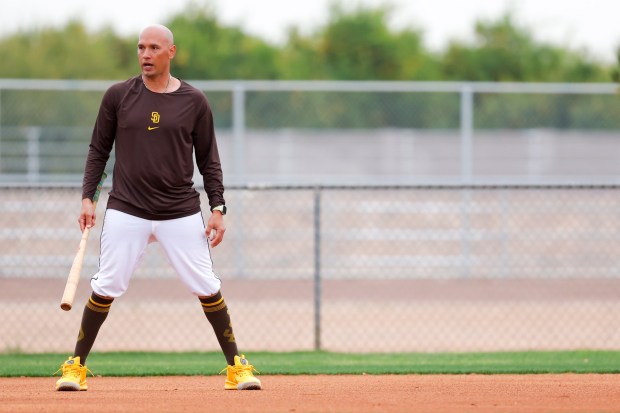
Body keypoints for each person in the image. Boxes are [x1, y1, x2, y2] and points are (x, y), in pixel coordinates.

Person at [55, 24, 261, 391]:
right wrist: (88, 196)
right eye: (140, 47)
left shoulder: (194, 101)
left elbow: (209, 159)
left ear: (171, 52)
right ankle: (75, 367)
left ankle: (237, 367)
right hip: (127, 208)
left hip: (180, 210)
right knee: (106, 285)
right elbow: (98, 150)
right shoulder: (118, 96)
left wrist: (218, 207)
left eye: (153, 47)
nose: (145, 54)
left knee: (206, 285)